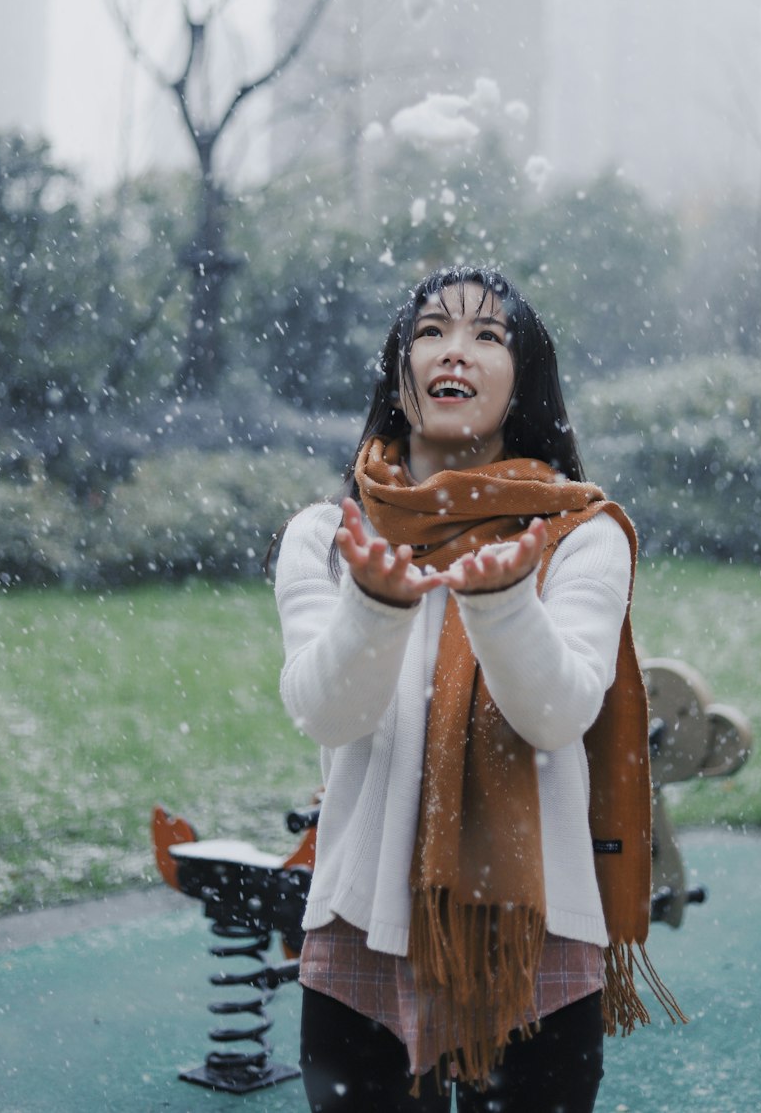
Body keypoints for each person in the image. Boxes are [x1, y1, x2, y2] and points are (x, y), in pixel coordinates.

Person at [273, 264, 680, 1113]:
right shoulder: (327, 537)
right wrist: (376, 607)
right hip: (358, 931)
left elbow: (560, 710)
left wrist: (500, 604)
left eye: (487, 335)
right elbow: (325, 709)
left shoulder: (578, 538)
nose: (454, 349)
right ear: (400, 370)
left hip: (536, 935)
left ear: (525, 379)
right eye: (431, 330)